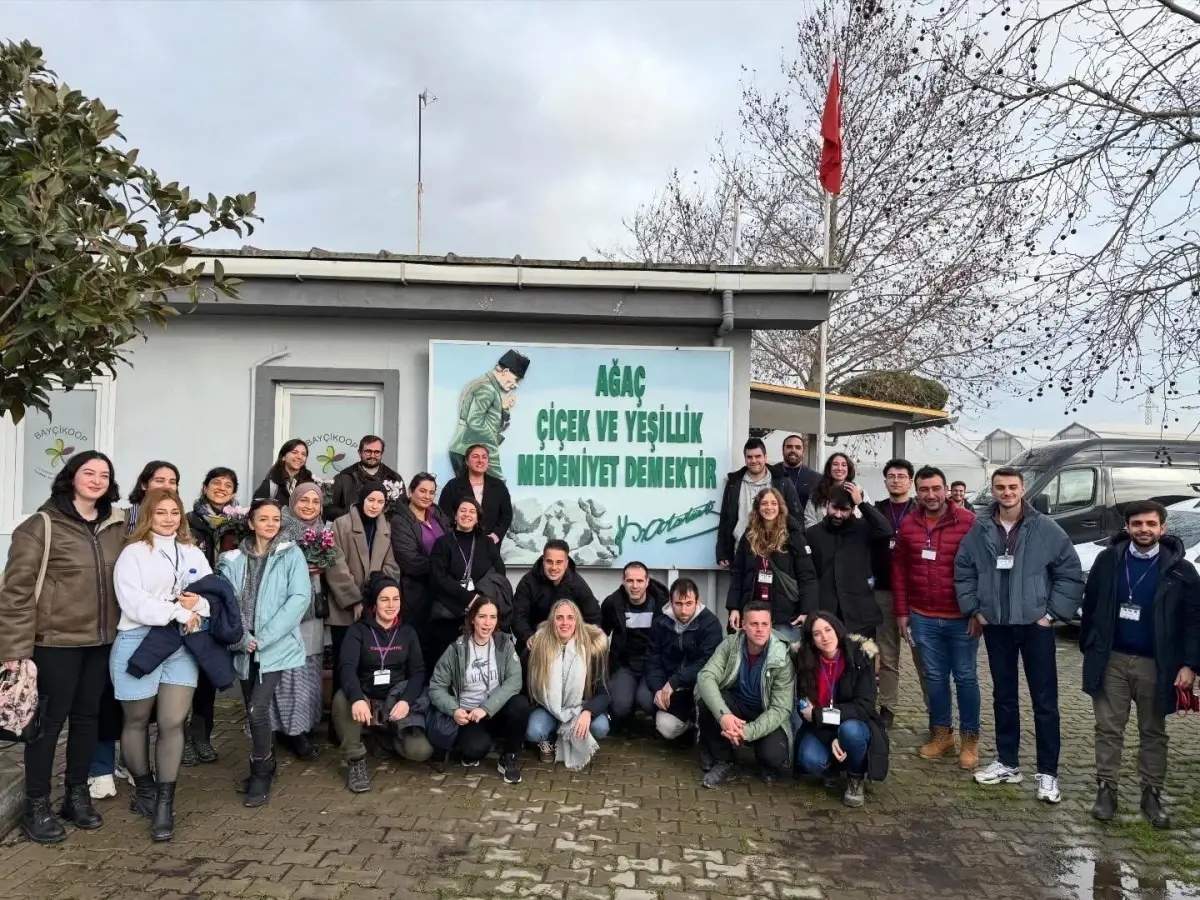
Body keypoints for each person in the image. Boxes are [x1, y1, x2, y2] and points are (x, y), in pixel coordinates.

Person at [0, 451, 126, 844]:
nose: (97, 480)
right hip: (55, 642)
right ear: (71, 477)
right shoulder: (41, 526)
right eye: (88, 472)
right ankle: (36, 804)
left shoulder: (116, 524)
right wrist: (15, 650)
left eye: (104, 474)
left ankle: (75, 794)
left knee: (88, 718)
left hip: (101, 641)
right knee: (48, 725)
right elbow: (15, 593)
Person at [955, 467, 1082, 803]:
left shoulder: (1045, 528)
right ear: (993, 490)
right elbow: (964, 569)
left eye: (1013, 487)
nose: (1007, 492)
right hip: (996, 625)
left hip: (1034, 626)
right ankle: (1008, 763)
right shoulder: (980, 527)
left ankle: (1048, 773)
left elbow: (1069, 571)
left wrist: (1051, 614)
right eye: (1000, 487)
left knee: (1045, 702)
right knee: (1004, 697)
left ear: (1023, 489)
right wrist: (975, 609)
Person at [1080, 501, 1200, 828]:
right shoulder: (1108, 560)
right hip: (1112, 660)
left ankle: (1151, 793)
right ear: (1127, 527)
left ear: (1163, 528)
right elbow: (1091, 604)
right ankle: (1107, 790)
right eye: (1137, 524)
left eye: (1150, 524)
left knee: (1153, 731)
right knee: (1108, 729)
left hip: (1157, 664)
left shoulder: (1181, 570)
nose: (1143, 529)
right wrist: (1089, 646)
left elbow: (1194, 621)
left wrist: (1190, 665)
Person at [112, 489, 213, 841]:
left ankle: (164, 805)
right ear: (148, 516)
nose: (168, 519)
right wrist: (176, 610)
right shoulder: (134, 553)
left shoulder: (192, 552)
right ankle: (145, 788)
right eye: (160, 512)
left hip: (181, 646)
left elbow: (212, 596)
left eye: (174, 512)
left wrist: (198, 604)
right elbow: (132, 601)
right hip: (138, 642)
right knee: (137, 720)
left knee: (172, 722)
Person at [91, 459, 182, 798]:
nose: (166, 485)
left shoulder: (173, 526)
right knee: (107, 698)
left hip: (156, 625)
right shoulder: (119, 521)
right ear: (144, 484)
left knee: (142, 706)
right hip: (112, 619)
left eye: (172, 481)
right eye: (159, 480)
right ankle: (100, 766)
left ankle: (131, 763)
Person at [218, 498, 311, 808]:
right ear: (251, 523)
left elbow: (299, 598)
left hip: (275, 646)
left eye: (275, 519)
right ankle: (268, 764)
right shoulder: (233, 559)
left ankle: (260, 771)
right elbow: (227, 603)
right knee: (252, 708)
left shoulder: (291, 554)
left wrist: (264, 638)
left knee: (258, 709)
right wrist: (241, 638)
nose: (271, 524)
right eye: (263, 519)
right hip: (244, 646)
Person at [892, 466, 979, 768]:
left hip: (960, 617)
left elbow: (982, 569)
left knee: (966, 677)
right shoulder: (908, 524)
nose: (931, 495)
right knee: (934, 677)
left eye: (936, 488)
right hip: (923, 617)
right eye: (924, 489)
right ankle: (942, 734)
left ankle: (970, 739)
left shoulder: (968, 521)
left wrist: (977, 611)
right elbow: (899, 571)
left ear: (946, 490)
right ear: (917, 492)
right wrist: (902, 612)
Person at [333, 573, 432, 793]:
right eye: (384, 599)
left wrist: (406, 701)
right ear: (374, 604)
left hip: (395, 700)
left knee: (420, 751)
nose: (391, 605)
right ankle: (355, 759)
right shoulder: (358, 631)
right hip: (366, 699)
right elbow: (346, 668)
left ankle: (384, 742)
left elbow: (418, 672)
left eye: (396, 599)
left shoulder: (407, 632)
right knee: (342, 699)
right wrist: (357, 698)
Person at [428, 595, 531, 784]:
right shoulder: (456, 649)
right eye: (482, 616)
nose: (487, 623)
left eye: (493, 617)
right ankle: (473, 746)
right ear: (472, 618)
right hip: (470, 715)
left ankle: (509, 757)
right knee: (474, 750)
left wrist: (486, 708)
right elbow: (436, 688)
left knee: (520, 705)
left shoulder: (504, 644)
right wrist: (454, 709)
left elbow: (515, 681)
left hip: (496, 709)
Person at [792, 612, 888, 808]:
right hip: (821, 728)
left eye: (828, 630)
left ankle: (855, 778)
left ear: (837, 630)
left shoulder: (860, 656)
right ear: (811, 639)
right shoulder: (805, 660)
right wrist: (831, 737)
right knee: (810, 759)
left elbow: (862, 707)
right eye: (817, 633)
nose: (825, 637)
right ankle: (833, 767)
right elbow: (804, 709)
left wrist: (820, 715)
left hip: (854, 723)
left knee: (850, 732)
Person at [696, 601, 795, 788]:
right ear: (743, 625)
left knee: (773, 755)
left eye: (765, 624)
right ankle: (724, 761)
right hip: (736, 707)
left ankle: (764, 762)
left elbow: (781, 708)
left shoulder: (781, 657)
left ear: (771, 625)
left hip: (765, 712)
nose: (760, 629)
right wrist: (724, 715)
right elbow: (706, 676)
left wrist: (747, 732)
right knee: (707, 702)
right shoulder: (730, 644)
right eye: (754, 624)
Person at [182, 466, 240, 766]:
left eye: (228, 485)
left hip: (218, 608)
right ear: (204, 488)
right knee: (183, 676)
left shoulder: (237, 526)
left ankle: (202, 737)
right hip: (189, 604)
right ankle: (180, 740)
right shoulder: (187, 521)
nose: (221, 488)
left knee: (208, 676)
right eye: (216, 483)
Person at [326, 481, 401, 702]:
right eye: (371, 500)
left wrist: (373, 599)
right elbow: (335, 565)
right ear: (362, 499)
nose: (375, 506)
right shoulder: (341, 524)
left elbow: (391, 566)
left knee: (368, 662)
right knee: (344, 662)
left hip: (374, 607)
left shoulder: (386, 527)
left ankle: (367, 713)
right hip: (345, 608)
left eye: (380, 501)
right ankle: (340, 715)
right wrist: (355, 600)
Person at [273, 482, 330, 761]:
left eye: (315, 501)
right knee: (289, 672)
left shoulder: (324, 532)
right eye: (303, 500)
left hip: (314, 612)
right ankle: (289, 730)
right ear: (293, 501)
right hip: (286, 611)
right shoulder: (280, 531)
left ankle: (304, 725)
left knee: (310, 668)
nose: (309, 506)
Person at [870, 458, 928, 730]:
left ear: (910, 481)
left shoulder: (921, 511)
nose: (896, 480)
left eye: (901, 476)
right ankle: (887, 708)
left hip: (915, 594)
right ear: (885, 481)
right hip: (883, 591)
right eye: (891, 476)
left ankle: (935, 713)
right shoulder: (876, 510)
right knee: (887, 655)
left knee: (923, 657)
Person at [525, 599, 611, 769]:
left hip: (580, 707)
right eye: (559, 618)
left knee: (600, 726)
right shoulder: (538, 648)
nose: (565, 623)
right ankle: (549, 739)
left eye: (570, 617)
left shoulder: (591, 649)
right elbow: (524, 688)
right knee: (533, 731)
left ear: (577, 621)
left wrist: (588, 712)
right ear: (552, 621)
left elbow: (605, 692)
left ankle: (573, 736)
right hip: (548, 708)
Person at [726, 487, 818, 642]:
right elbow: (737, 574)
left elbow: (807, 576)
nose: (769, 507)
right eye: (764, 503)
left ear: (780, 506)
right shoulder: (748, 537)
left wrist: (806, 610)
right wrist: (734, 607)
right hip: (754, 615)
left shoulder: (793, 536)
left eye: (773, 503)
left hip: (786, 617)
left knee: (784, 655)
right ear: (757, 507)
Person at [805, 485, 893, 638]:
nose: (838, 515)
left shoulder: (863, 529)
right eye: (834, 508)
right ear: (827, 505)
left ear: (853, 509)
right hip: (826, 611)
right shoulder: (813, 533)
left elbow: (886, 530)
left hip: (859, 611)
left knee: (861, 652)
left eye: (844, 510)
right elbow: (808, 574)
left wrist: (862, 504)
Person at [429, 498, 508, 666]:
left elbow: (499, 573)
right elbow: (439, 578)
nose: (467, 514)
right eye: (462, 510)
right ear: (455, 516)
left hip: (480, 614)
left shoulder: (487, 543)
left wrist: (479, 599)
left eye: (472, 511)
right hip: (449, 614)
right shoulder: (442, 543)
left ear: (478, 518)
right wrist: (469, 598)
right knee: (449, 665)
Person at [644, 578, 723, 741]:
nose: (684, 610)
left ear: (697, 602)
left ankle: (705, 736)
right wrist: (658, 689)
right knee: (665, 727)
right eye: (678, 604)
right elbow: (653, 660)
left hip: (697, 684)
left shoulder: (711, 624)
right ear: (670, 602)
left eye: (688, 603)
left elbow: (707, 662)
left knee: (704, 687)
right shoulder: (660, 623)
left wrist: (676, 680)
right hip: (672, 688)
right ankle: (688, 725)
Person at [390, 472, 452, 659]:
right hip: (416, 595)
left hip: (442, 593)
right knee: (419, 649)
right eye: (422, 491)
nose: (427, 496)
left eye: (432, 492)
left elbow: (453, 543)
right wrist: (444, 568)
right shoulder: (400, 521)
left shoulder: (437, 514)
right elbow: (410, 562)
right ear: (411, 492)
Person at [600, 562, 669, 728]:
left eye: (639, 581)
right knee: (620, 705)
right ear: (623, 581)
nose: (635, 586)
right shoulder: (612, 603)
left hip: (653, 664)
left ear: (647, 581)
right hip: (625, 664)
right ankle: (626, 721)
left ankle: (658, 724)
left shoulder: (662, 604)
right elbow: (600, 633)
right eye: (630, 581)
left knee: (647, 700)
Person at [716, 438, 803, 568]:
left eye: (758, 456)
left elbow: (797, 516)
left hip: (776, 553)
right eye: (749, 457)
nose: (754, 460)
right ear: (745, 458)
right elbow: (725, 518)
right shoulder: (734, 482)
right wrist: (722, 552)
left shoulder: (782, 481)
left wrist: (797, 549)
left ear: (765, 457)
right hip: (741, 553)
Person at [448, 348, 531, 481]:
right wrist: (492, 442)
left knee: (471, 491)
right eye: (516, 379)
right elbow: (475, 422)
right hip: (475, 448)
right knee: (499, 486)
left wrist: (503, 409)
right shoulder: (487, 389)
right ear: (505, 371)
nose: (516, 385)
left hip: (463, 449)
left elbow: (486, 421)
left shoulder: (486, 385)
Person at [513, 540, 602, 649]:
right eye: (549, 562)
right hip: (536, 641)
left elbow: (594, 617)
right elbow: (518, 615)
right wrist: (528, 636)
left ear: (566, 563)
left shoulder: (578, 584)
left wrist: (582, 640)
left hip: (569, 643)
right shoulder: (528, 582)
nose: (554, 567)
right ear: (543, 561)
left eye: (559, 562)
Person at [438, 444, 514, 545]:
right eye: (475, 456)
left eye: (484, 457)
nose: (480, 460)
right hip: (460, 545)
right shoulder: (453, 486)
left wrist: (495, 536)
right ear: (466, 461)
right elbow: (443, 516)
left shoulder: (498, 486)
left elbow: (506, 515)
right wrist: (455, 537)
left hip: (490, 545)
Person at [326, 435, 405, 521]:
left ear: (382, 454)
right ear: (359, 453)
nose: (372, 455)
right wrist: (352, 516)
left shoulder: (393, 478)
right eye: (368, 451)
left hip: (385, 528)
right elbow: (329, 509)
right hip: (352, 527)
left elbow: (403, 509)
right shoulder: (344, 477)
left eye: (377, 452)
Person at [804, 453, 871, 529]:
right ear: (829, 468)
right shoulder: (818, 492)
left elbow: (870, 517)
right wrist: (820, 534)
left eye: (844, 465)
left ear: (848, 469)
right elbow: (809, 520)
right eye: (835, 464)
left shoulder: (859, 491)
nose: (839, 468)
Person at [254, 439, 314, 505]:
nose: (300, 457)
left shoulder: (311, 483)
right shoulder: (271, 485)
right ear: (283, 457)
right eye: (294, 452)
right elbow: (257, 508)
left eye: (303, 454)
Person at [775, 433, 821, 513]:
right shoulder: (770, 472)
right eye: (789, 447)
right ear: (783, 451)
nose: (793, 450)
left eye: (798, 447)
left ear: (803, 453)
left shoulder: (816, 478)